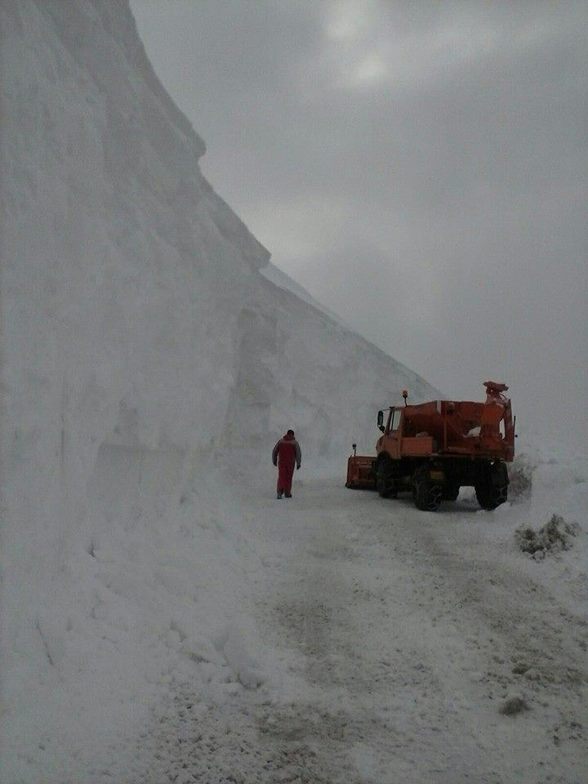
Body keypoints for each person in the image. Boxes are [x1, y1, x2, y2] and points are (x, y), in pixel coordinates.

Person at [272, 429, 301, 499]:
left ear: (287, 434)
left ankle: (279, 492)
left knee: (281, 476)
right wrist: (298, 463)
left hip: (282, 462)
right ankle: (287, 492)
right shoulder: (295, 443)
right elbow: (298, 454)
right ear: (293, 435)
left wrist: (274, 460)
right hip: (290, 463)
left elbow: (274, 451)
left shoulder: (281, 441)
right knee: (288, 477)